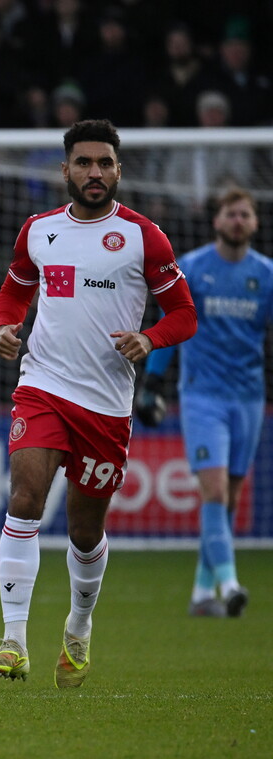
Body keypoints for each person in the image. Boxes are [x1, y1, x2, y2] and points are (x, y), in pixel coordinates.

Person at [0, 119, 197, 688]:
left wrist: (149, 339)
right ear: (66, 170)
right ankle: (13, 641)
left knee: (83, 531)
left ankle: (78, 628)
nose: (94, 173)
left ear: (118, 170)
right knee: (25, 498)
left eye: (104, 163)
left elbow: (184, 314)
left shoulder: (144, 237)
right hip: (43, 384)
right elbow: (14, 289)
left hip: (105, 404)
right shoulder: (37, 230)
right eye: (84, 163)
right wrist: (6, 325)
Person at [136, 188, 271, 619]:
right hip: (202, 395)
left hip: (249, 397)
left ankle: (200, 594)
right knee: (213, 489)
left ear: (254, 222)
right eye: (230, 214)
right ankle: (229, 585)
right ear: (216, 221)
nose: (237, 220)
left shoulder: (266, 275)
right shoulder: (192, 268)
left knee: (229, 496)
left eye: (244, 214)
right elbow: (169, 324)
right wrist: (153, 382)